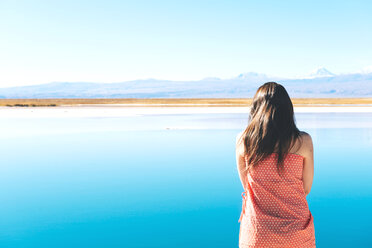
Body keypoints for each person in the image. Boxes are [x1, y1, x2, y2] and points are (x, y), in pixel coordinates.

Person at [235, 82, 316, 247]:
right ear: (287, 110)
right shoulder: (303, 141)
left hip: (257, 233)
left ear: (256, 109)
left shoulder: (243, 141)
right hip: (296, 233)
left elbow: (247, 186)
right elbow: (306, 188)